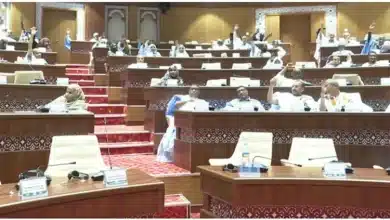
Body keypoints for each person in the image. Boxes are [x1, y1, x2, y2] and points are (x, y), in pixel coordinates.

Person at [156, 85, 209, 162]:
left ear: (199, 92)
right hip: (181, 120)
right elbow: (176, 106)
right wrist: (188, 100)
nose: (194, 90)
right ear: (189, 90)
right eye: (192, 89)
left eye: (196, 89)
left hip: (195, 121)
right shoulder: (183, 98)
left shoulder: (202, 101)